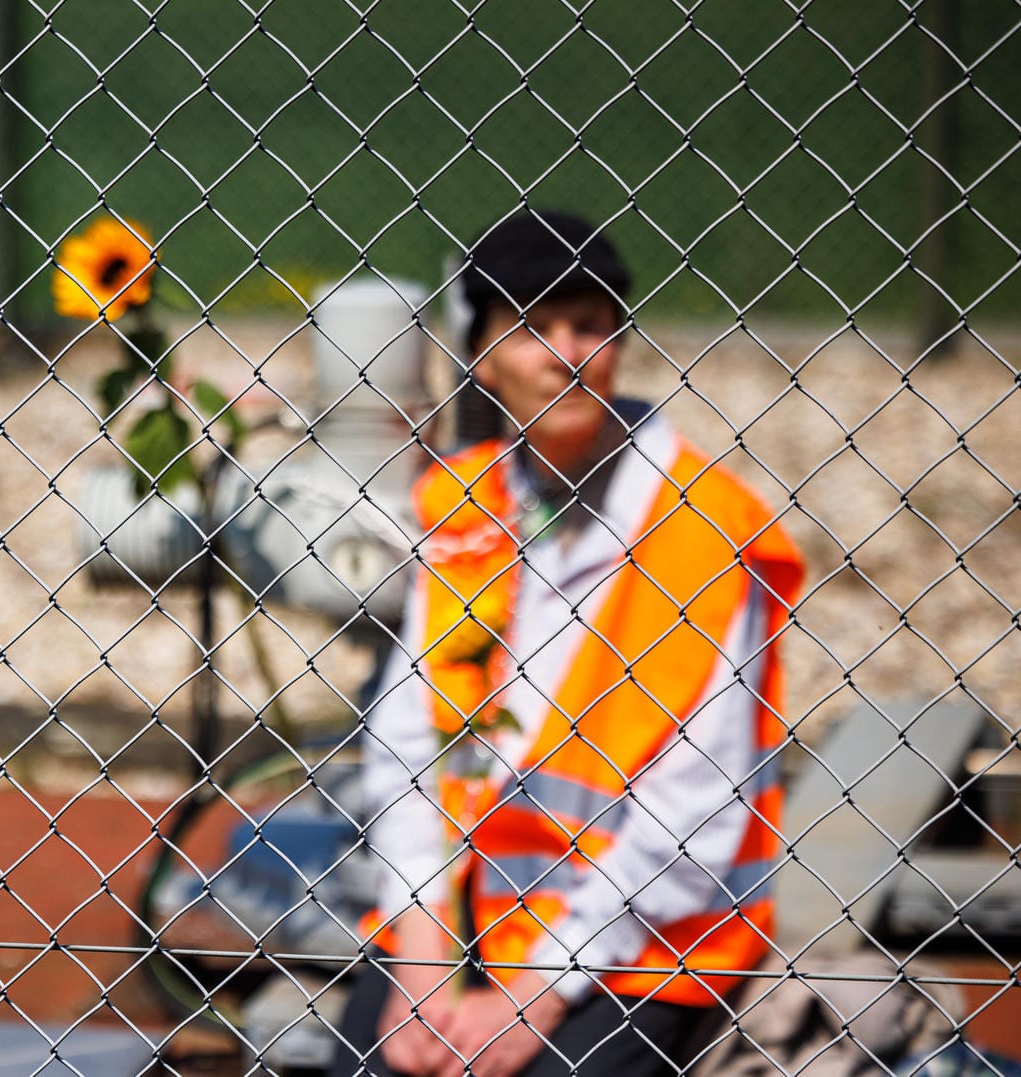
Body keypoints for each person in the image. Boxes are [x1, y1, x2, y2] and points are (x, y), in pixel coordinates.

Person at [331, 210, 804, 1077]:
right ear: (483, 357)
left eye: (589, 326)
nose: (565, 351)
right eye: (532, 328)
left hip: (650, 941)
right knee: (368, 1061)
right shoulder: (467, 501)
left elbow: (699, 806)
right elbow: (406, 746)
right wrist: (424, 951)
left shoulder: (704, 526)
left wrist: (536, 991)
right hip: (468, 922)